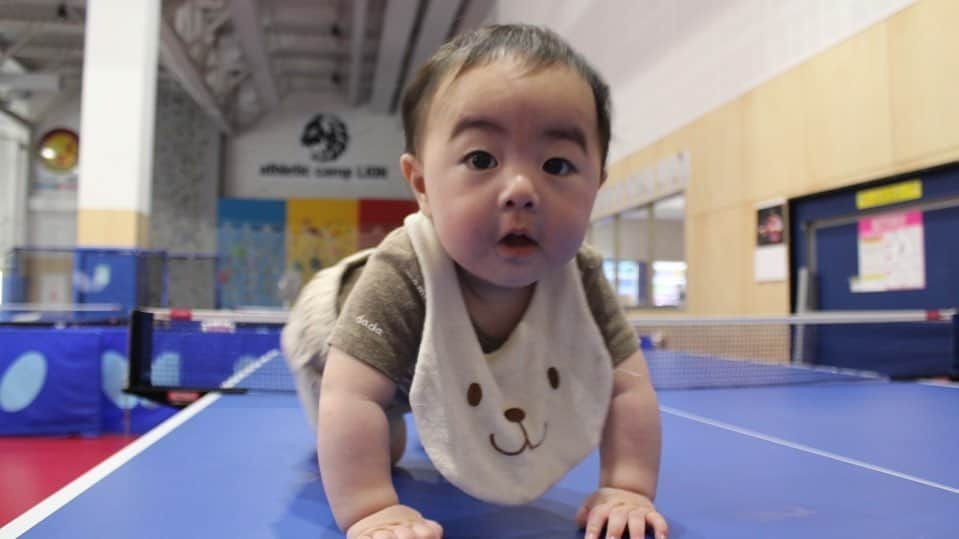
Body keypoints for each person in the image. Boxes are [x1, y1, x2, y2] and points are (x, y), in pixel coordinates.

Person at [281, 24, 667, 539]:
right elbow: (350, 397)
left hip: (434, 358)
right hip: (327, 330)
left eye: (557, 164)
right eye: (481, 159)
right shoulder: (405, 270)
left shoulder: (582, 276)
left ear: (596, 184)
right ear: (421, 185)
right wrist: (372, 509)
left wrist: (628, 486)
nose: (522, 190)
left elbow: (627, 389)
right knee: (379, 438)